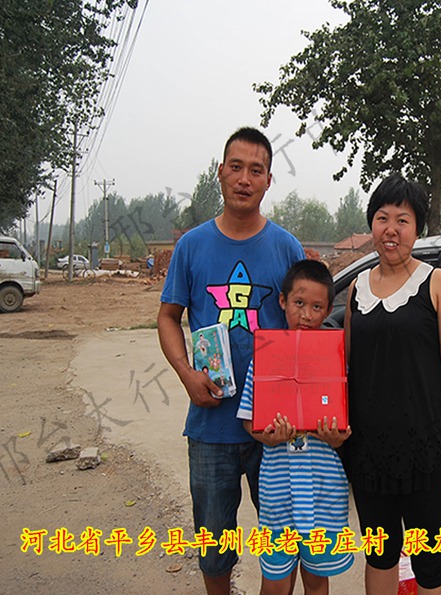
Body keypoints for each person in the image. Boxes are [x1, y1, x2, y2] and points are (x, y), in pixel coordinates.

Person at [157, 127, 305, 595]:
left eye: (256, 170)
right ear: (220, 173)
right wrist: (186, 374)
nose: (244, 179)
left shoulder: (286, 248)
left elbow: (306, 329)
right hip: (210, 426)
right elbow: (167, 316)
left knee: (281, 543)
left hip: (274, 428)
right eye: (236, 168)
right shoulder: (192, 246)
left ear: (268, 180)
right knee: (214, 544)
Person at [342, 173, 441, 594]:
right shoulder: (357, 288)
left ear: (417, 229)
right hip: (368, 450)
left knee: (430, 559)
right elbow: (347, 364)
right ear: (371, 224)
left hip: (426, 450)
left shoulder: (437, 283)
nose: (391, 229)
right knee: (380, 552)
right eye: (383, 218)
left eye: (403, 220)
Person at [237, 259, 354, 595]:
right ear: (283, 301)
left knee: (316, 580)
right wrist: (267, 437)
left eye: (317, 307)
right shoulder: (264, 358)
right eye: (299, 303)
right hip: (278, 490)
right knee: (274, 582)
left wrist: (336, 439)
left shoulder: (336, 361)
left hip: (324, 490)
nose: (306, 315)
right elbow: (249, 419)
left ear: (328, 310)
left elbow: (345, 429)